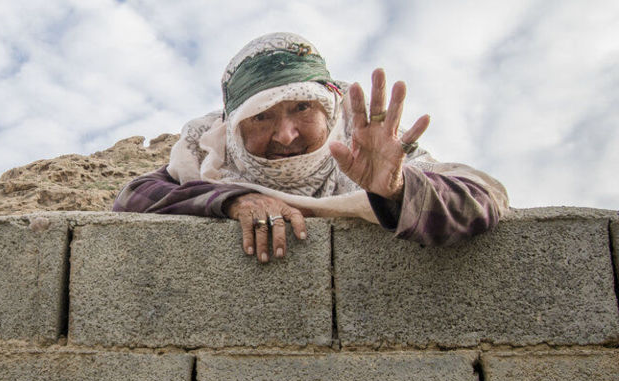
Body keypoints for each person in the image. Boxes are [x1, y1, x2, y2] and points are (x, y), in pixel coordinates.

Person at [113, 32, 508, 262]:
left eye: (302, 108)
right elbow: (135, 197)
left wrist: (397, 190)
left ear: (329, 109)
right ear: (234, 128)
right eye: (262, 117)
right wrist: (233, 200)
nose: (285, 134)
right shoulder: (208, 158)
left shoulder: (369, 150)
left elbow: (482, 200)